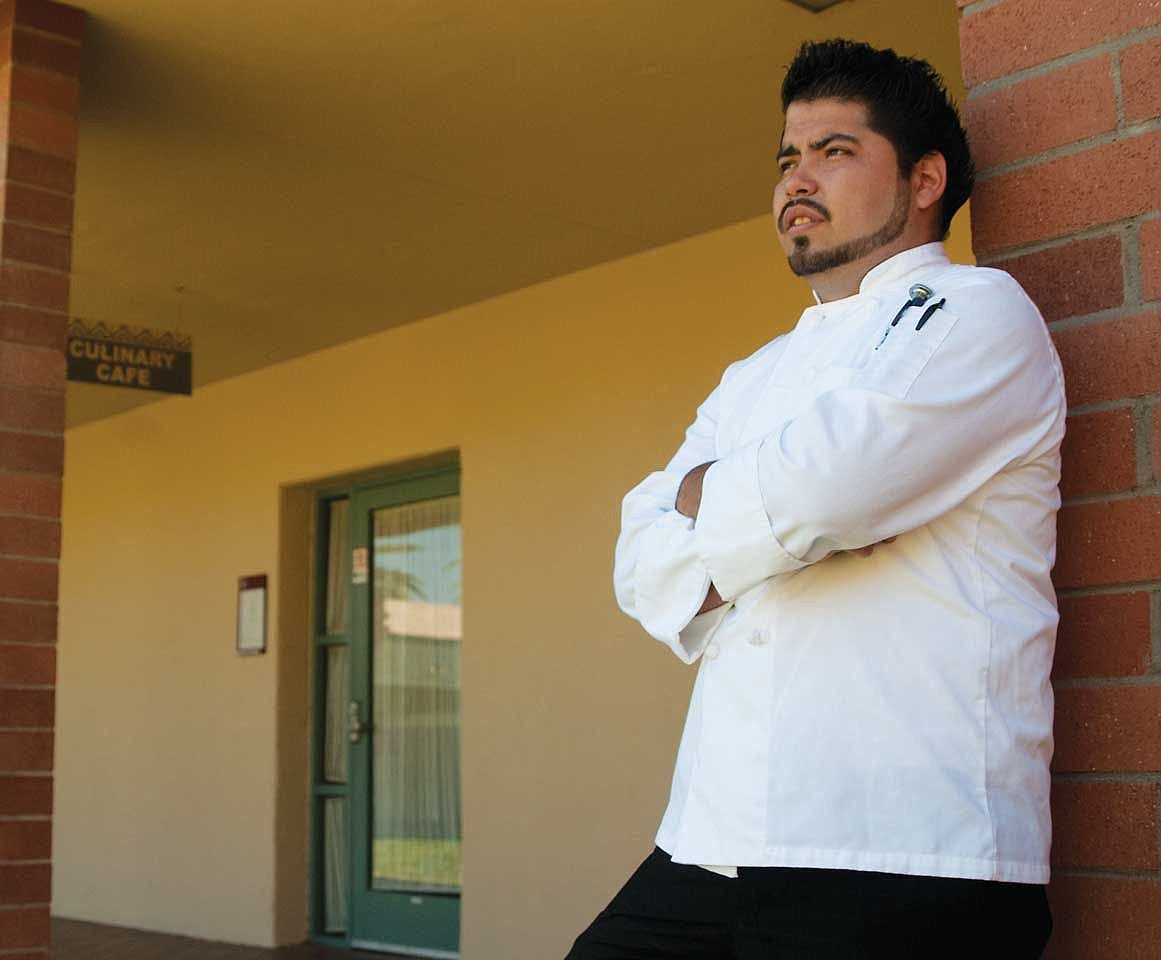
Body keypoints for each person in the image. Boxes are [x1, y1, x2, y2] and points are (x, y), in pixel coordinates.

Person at [567, 39, 1065, 959]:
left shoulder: (977, 311)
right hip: (711, 838)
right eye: (787, 159)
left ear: (924, 179)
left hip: (905, 850)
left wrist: (728, 506)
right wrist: (784, 517)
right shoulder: (753, 373)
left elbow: (828, 490)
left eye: (835, 151)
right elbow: (640, 566)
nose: (797, 179)